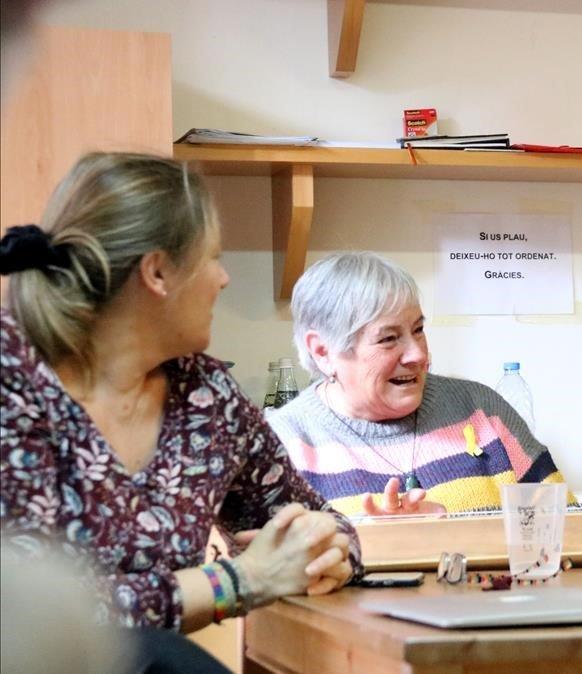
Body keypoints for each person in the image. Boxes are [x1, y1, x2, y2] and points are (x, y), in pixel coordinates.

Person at [0, 152, 364, 637]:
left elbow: (320, 522)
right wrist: (242, 579)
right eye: (213, 257)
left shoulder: (207, 395)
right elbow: (31, 614)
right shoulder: (15, 377)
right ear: (157, 273)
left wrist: (327, 553)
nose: (223, 278)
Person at [267, 251, 569, 515]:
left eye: (418, 329)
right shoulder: (283, 444)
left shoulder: (482, 411)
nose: (418, 354)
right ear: (323, 351)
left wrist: (444, 536)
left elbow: (566, 529)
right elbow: (265, 568)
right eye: (388, 339)